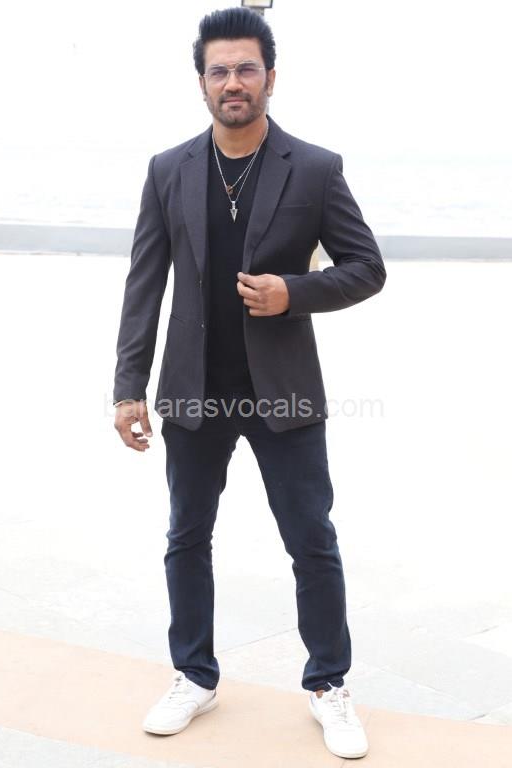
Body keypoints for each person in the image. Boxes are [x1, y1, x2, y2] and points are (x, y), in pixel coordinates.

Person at [113, 6, 386, 760]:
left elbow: (367, 268)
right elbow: (144, 285)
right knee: (186, 537)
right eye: (219, 70)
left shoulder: (316, 168)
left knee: (311, 540)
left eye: (245, 68)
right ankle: (193, 675)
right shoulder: (168, 169)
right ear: (201, 81)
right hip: (192, 390)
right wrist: (129, 386)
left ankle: (328, 685)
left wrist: (292, 292)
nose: (232, 82)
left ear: (270, 75)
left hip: (284, 393)